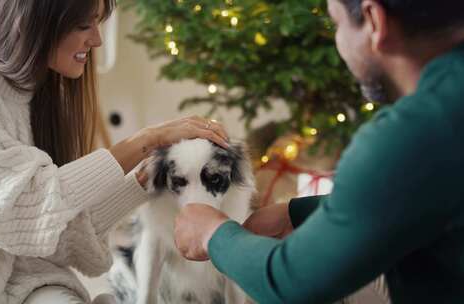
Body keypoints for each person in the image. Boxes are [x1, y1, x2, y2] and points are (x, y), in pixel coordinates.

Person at [0, 0, 229, 303]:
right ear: (31, 22)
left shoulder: (42, 96)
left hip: (29, 283)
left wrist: (142, 178)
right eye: (84, 24)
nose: (96, 39)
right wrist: (144, 141)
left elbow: (60, 232)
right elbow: (25, 213)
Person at [174, 0, 464, 303]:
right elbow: (420, 191)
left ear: (374, 20)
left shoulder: (415, 131)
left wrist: (213, 235)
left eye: (335, 24)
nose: (337, 40)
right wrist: (295, 213)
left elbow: (293, 282)